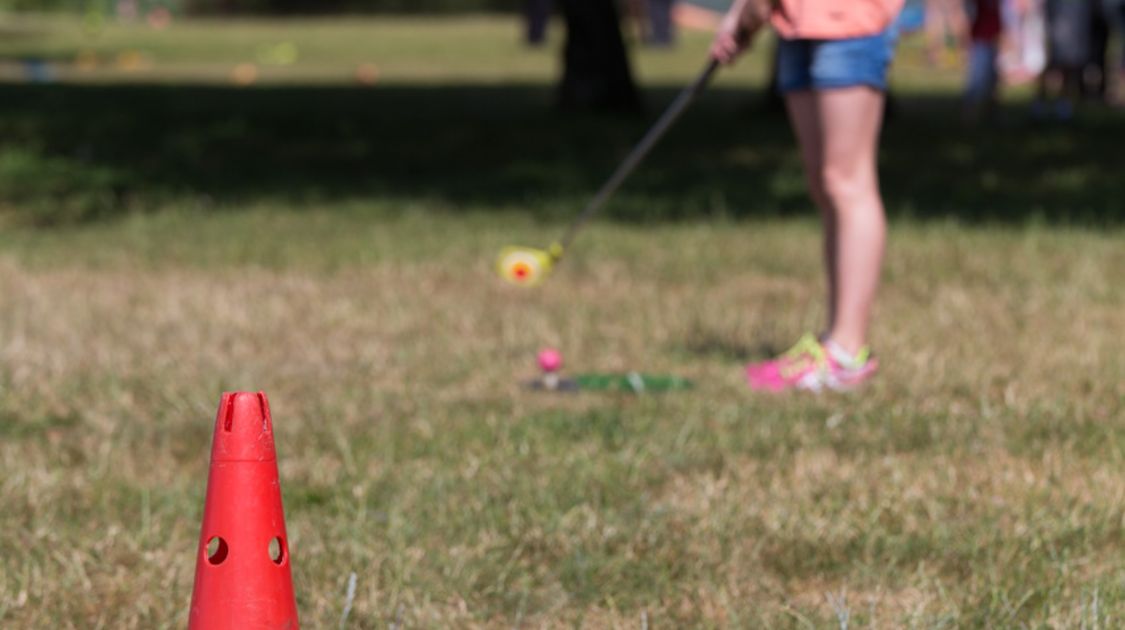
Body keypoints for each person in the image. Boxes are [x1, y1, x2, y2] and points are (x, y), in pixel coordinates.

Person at [711, 0, 903, 392]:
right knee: (823, 182)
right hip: (795, 23)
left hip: (848, 22)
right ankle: (834, 339)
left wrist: (748, 18)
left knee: (847, 180)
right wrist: (742, 14)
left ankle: (848, 351)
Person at [964, 0, 1004, 120]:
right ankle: (968, 115)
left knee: (993, 80)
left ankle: (992, 114)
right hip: (980, 41)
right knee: (977, 80)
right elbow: (968, 15)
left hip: (993, 40)